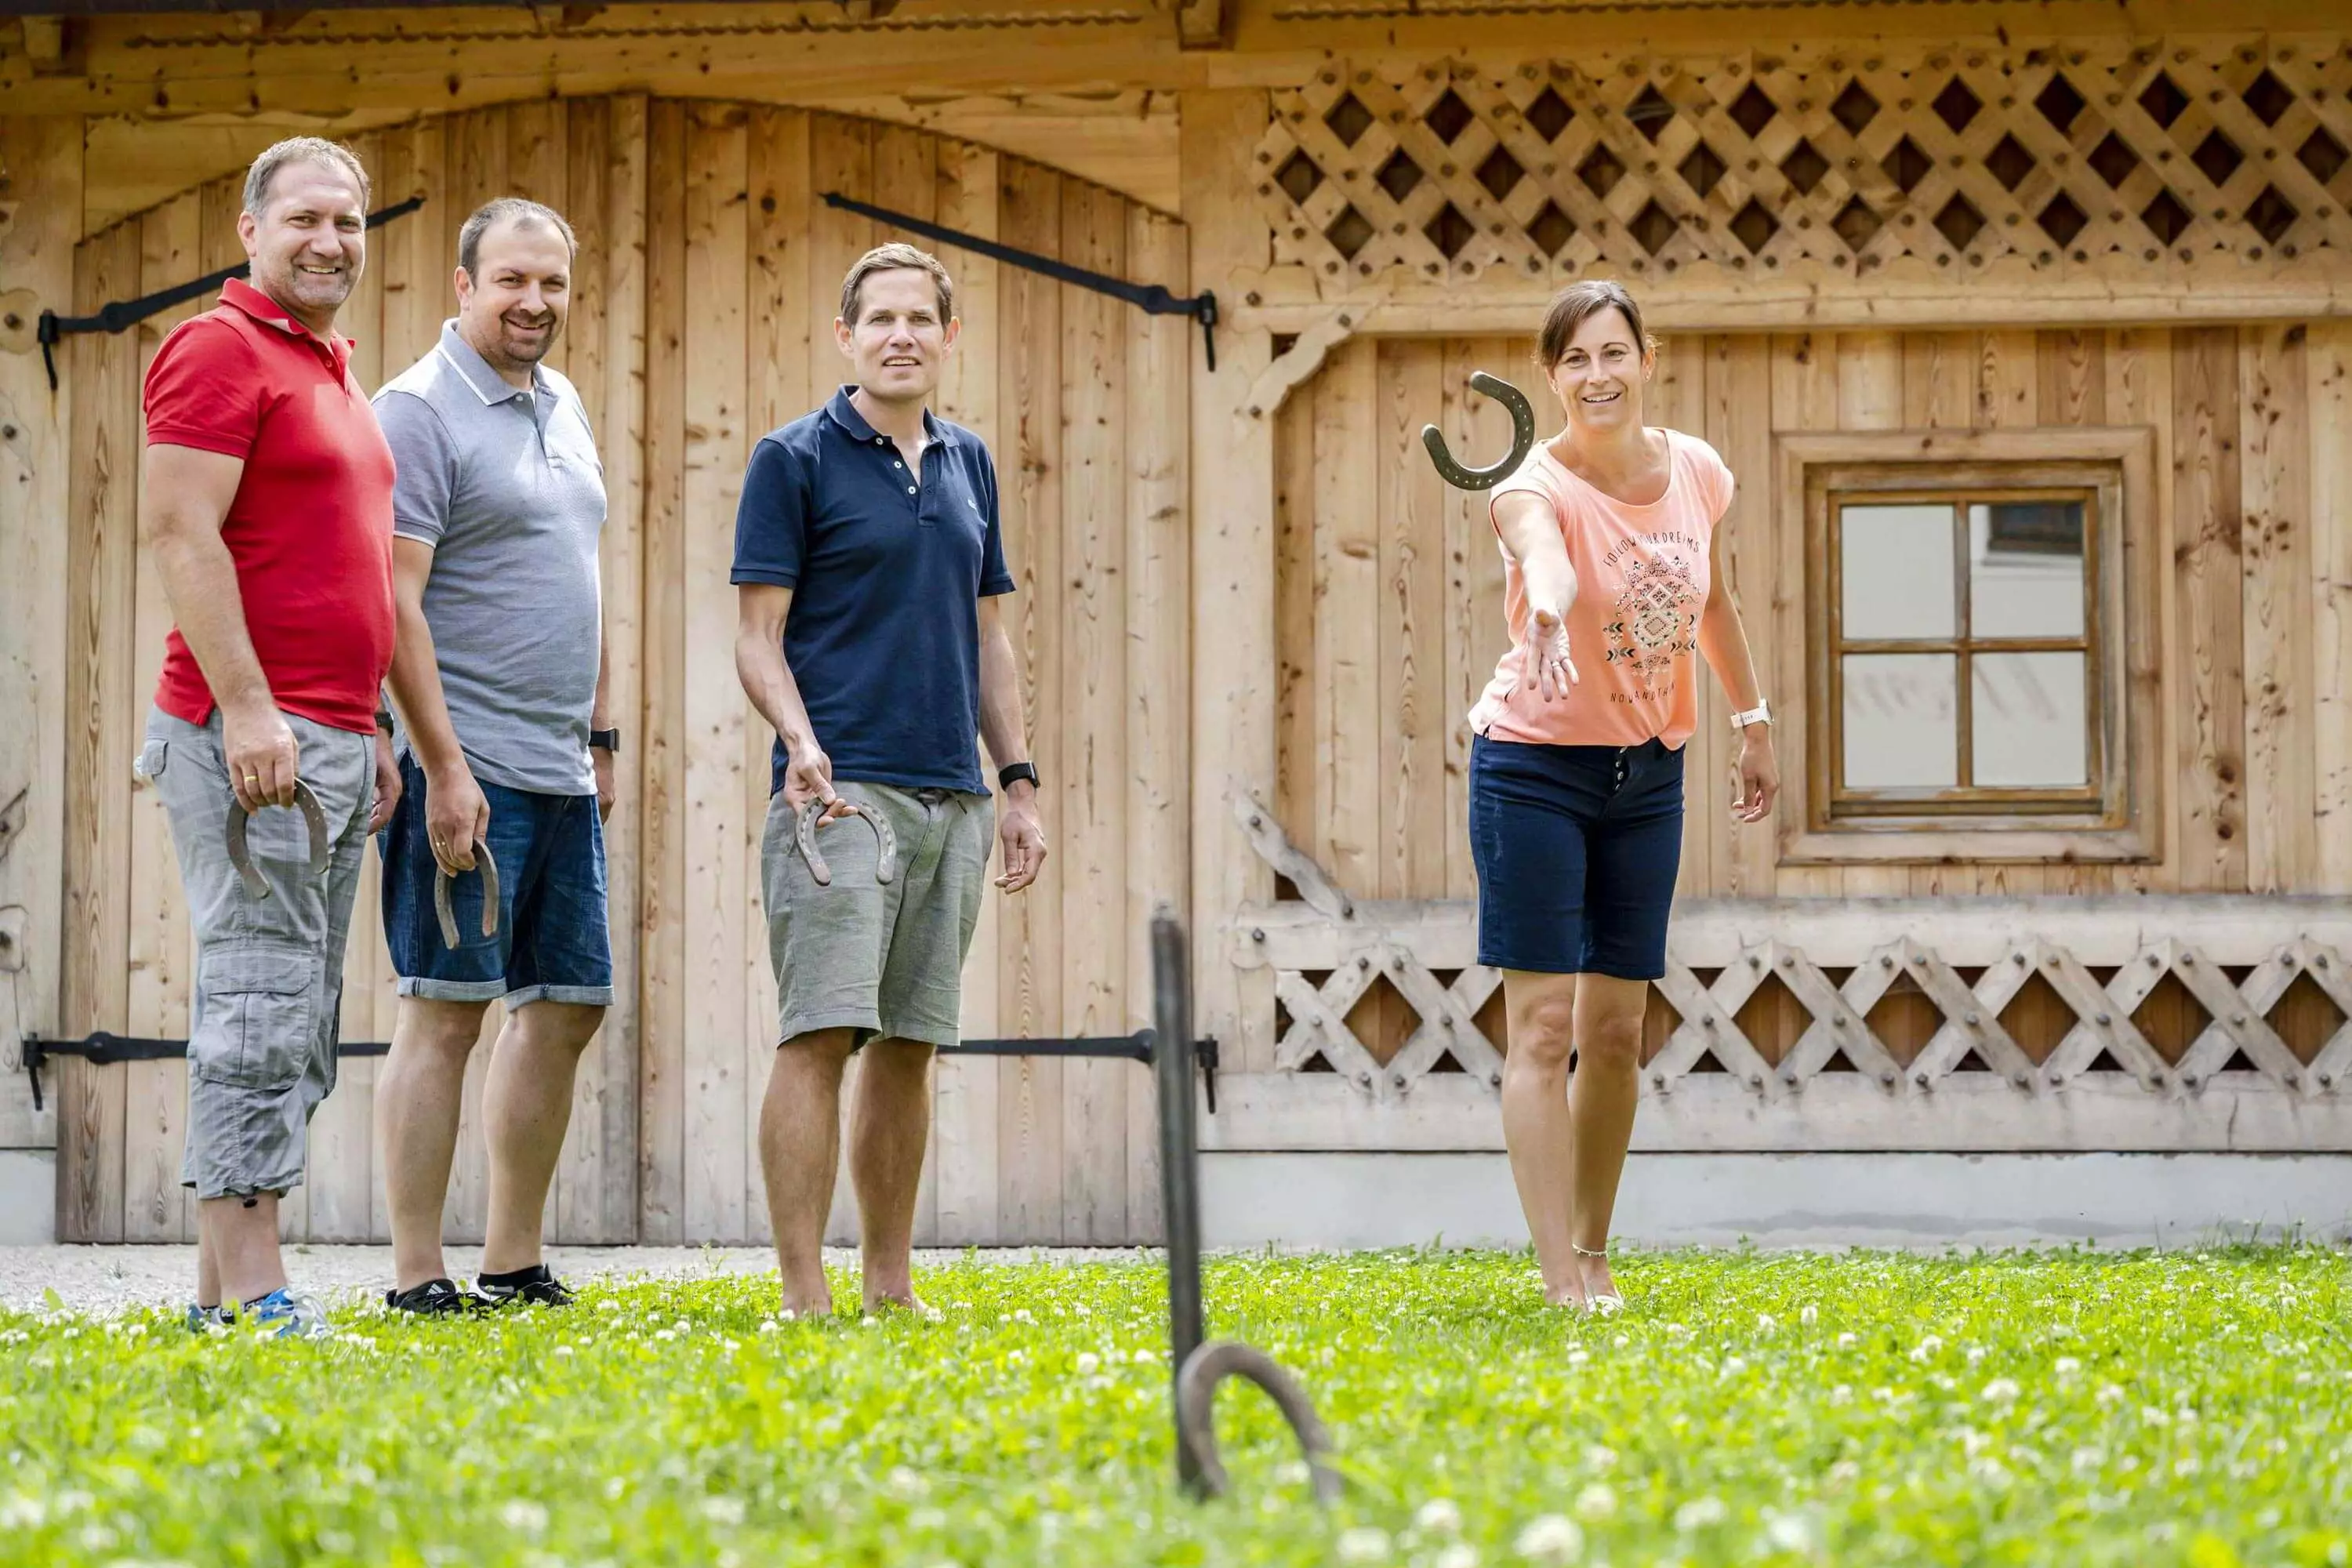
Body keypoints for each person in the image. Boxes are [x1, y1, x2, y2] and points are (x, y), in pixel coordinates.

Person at [732, 241, 1047, 1317]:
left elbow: (988, 636)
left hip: (950, 797)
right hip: (840, 794)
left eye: (922, 319)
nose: (902, 336)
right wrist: (800, 739)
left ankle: (889, 1286)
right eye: (882, 320)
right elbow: (756, 636)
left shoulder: (968, 465)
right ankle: (802, 1290)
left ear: (949, 339)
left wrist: (1017, 782)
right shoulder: (795, 459)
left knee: (911, 1046)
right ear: (846, 337)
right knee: (821, 1031)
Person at [1468, 279, 1779, 1313]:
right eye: (1574, 361)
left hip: (1650, 774)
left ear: (1650, 358)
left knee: (1615, 1030)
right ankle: (1560, 1277)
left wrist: (1751, 721)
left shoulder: (1697, 472)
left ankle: (1596, 1251)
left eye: (1613, 353)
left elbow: (1715, 600)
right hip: (1535, 771)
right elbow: (1542, 556)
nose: (1595, 376)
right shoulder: (1529, 481)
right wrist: (1547, 614)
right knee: (1545, 1027)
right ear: (1551, 378)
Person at [136, 136, 401, 1338]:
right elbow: (184, 537)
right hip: (252, 731)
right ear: (251, 228)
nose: (329, 241)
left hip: (335, 737)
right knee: (255, 1003)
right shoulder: (215, 348)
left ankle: (213, 1305)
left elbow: (345, 571)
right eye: (303, 218)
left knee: (294, 1013)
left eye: (347, 222)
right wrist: (248, 706)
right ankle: (261, 1290)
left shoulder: (331, 368)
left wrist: (376, 727)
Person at [372, 198, 615, 1314]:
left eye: (552, 285)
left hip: (560, 769)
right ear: (462, 286)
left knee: (565, 1005)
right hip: (463, 767)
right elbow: (394, 603)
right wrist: (444, 767)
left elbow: (577, 575)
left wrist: (598, 738)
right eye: (512, 281)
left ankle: (513, 1259)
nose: (534, 303)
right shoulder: (419, 412)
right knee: (445, 1007)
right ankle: (417, 1272)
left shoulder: (559, 400)